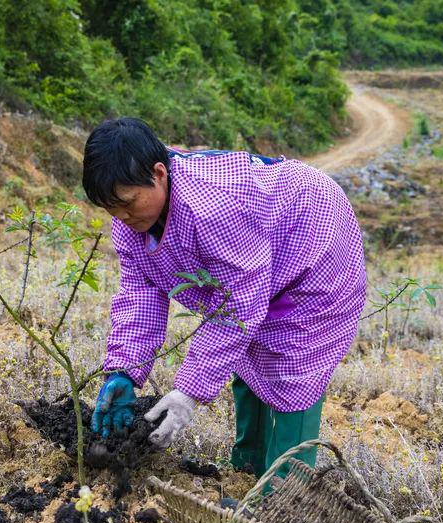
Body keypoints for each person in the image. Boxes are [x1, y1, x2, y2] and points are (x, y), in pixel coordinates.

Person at [83, 117, 366, 477]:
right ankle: (247, 470)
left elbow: (237, 309)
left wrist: (188, 391)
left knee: (294, 366)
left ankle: (284, 496)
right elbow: (140, 292)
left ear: (159, 174)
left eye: (127, 203)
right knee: (248, 354)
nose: (121, 216)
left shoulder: (214, 208)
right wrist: (123, 371)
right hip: (262, 248)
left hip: (315, 236)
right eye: (110, 208)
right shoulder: (130, 222)